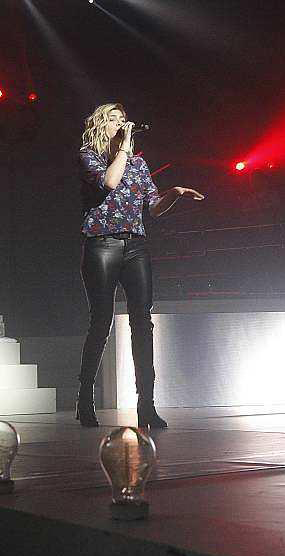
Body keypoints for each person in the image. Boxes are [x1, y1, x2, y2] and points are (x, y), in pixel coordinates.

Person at [76, 103, 204, 428]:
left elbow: (154, 208)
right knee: (101, 321)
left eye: (123, 119)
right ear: (101, 126)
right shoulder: (89, 156)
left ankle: (146, 404)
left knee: (142, 323)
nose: (121, 124)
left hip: (136, 246)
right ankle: (84, 397)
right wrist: (124, 148)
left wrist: (174, 193)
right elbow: (109, 182)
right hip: (102, 244)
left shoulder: (138, 164)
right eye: (114, 120)